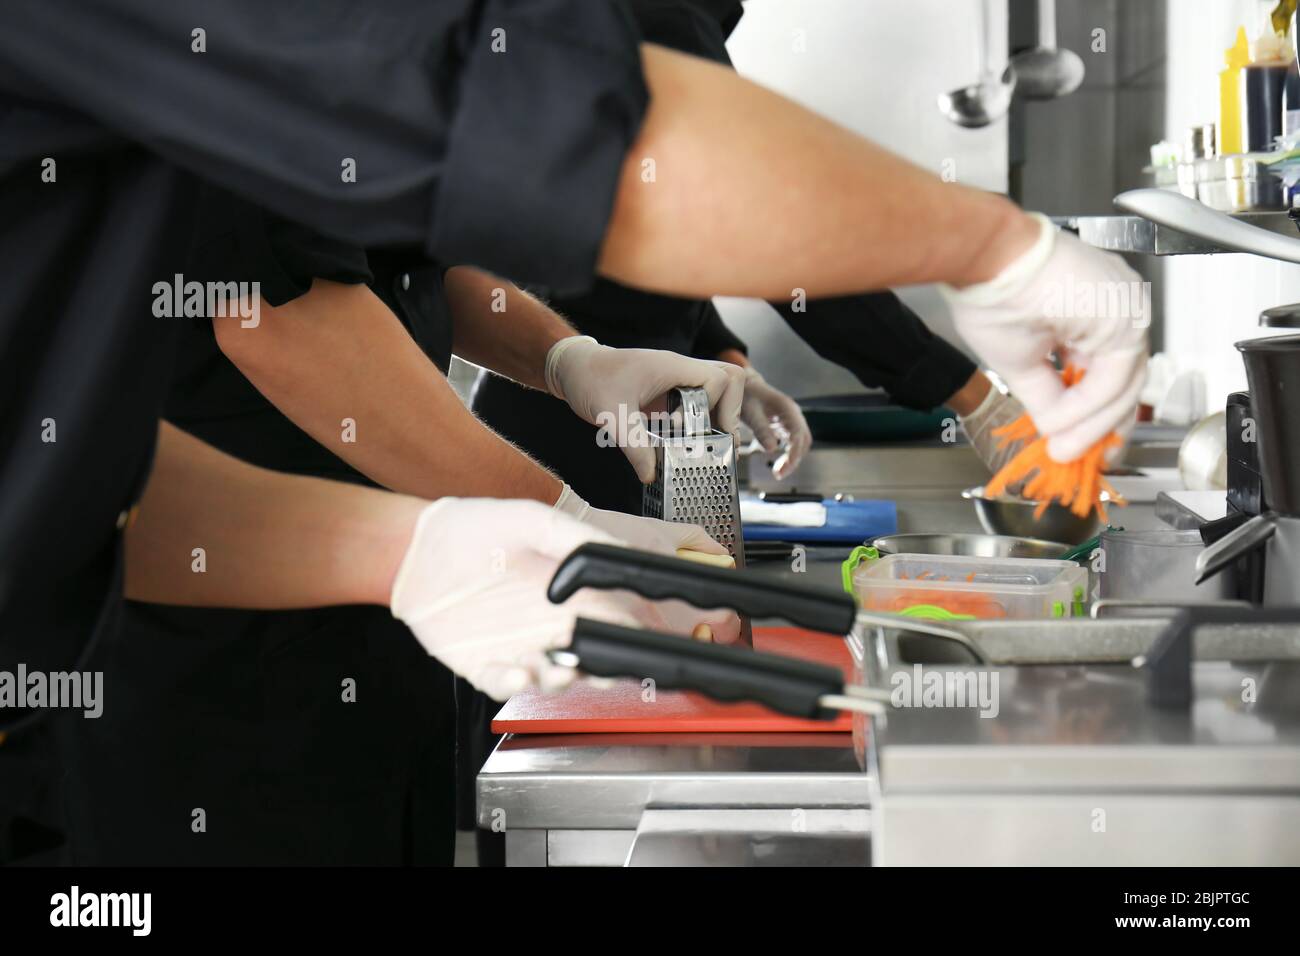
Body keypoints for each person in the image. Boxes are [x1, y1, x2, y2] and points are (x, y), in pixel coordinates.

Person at [0, 0, 1148, 863]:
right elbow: (572, 144)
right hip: (202, 695)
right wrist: (994, 251)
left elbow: (93, 465)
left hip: (311, 612)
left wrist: (547, 391)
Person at [60, 187, 742, 866]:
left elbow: (415, 268)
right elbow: (275, 314)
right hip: (223, 669)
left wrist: (570, 360)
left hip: (394, 634)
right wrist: (565, 519)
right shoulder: (229, 89)